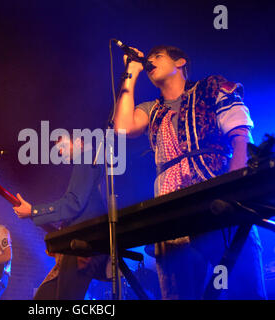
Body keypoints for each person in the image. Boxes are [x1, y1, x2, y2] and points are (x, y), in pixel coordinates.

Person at [113, 45, 266, 299]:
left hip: (216, 199)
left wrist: (236, 189)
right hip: (170, 211)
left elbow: (241, 135)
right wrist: (131, 71)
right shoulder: (153, 110)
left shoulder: (210, 88)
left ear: (181, 62)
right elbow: (122, 127)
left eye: (157, 57)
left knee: (242, 286)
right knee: (179, 292)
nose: (150, 62)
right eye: (147, 60)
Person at [13, 135, 109, 300]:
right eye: (58, 150)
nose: (61, 152)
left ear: (79, 142)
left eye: (64, 146)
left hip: (83, 244)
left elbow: (73, 203)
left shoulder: (86, 158)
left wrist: (34, 211)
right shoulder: (91, 162)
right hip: (79, 242)